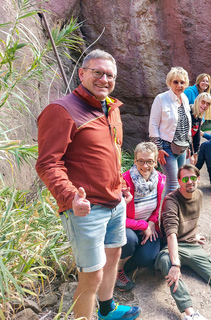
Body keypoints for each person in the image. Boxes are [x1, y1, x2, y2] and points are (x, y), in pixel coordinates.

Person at [35, 49, 141, 320]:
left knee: (113, 255)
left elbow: (110, 156)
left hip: (115, 202)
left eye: (110, 75)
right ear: (82, 74)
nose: (104, 79)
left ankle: (107, 310)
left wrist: (121, 186)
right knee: (91, 274)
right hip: (86, 208)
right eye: (98, 72)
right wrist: (71, 197)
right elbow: (48, 164)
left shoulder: (112, 109)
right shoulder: (61, 110)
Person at [155, 164, 211, 320]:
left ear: (198, 179)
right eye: (185, 179)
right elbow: (171, 234)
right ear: (179, 181)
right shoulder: (170, 200)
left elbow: (191, 220)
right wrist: (175, 264)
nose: (189, 182)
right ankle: (190, 313)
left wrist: (193, 234)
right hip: (174, 245)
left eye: (193, 178)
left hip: (193, 247)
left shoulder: (199, 195)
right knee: (166, 261)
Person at [116, 142, 166, 291]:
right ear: (135, 161)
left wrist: (151, 222)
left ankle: (130, 259)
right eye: (141, 161)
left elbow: (159, 208)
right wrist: (144, 226)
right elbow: (116, 217)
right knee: (129, 239)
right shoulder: (124, 182)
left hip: (149, 226)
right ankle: (118, 270)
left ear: (155, 161)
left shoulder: (161, 180)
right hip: (127, 227)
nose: (145, 166)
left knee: (147, 258)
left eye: (150, 161)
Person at [149, 67, 193, 195]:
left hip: (182, 147)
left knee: (181, 181)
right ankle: (166, 214)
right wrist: (158, 149)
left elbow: (186, 123)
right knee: (172, 184)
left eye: (182, 82)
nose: (179, 85)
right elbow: (153, 125)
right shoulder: (161, 99)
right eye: (176, 82)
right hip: (167, 148)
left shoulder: (184, 98)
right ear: (169, 83)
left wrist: (188, 145)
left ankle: (176, 212)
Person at [191, 92, 211, 162]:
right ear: (197, 100)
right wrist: (191, 153)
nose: (205, 106)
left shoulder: (199, 115)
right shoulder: (188, 112)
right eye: (203, 102)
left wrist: (195, 152)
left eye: (208, 104)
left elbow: (196, 136)